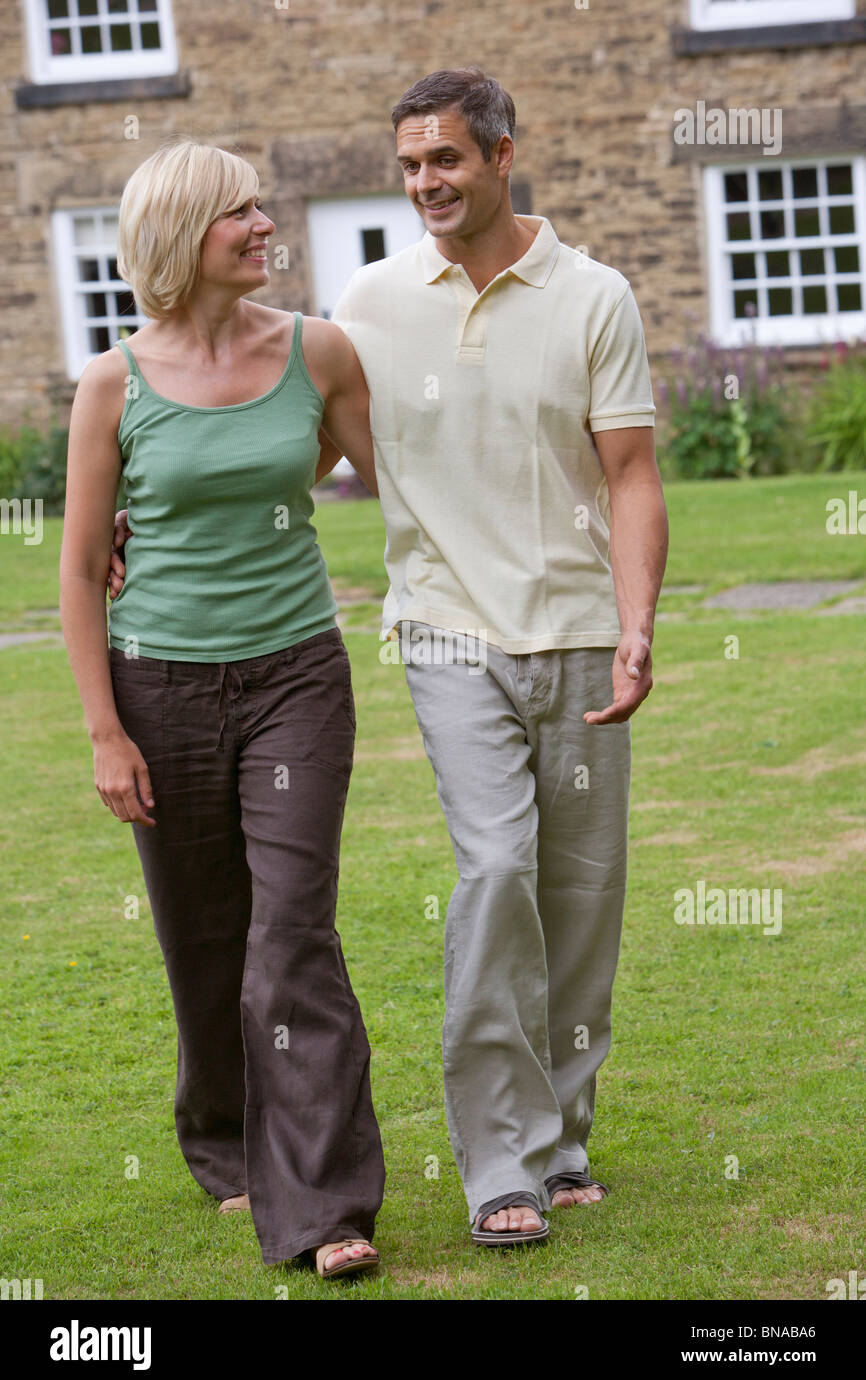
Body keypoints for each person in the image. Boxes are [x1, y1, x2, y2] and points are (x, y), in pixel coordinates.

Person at [111, 67, 669, 1250]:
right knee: (493, 872)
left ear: (502, 155)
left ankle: (562, 1137)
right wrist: (149, 523)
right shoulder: (365, 301)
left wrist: (634, 624)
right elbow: (294, 444)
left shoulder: (593, 296)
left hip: (573, 630)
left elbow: (627, 472)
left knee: (579, 897)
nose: (423, 184)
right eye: (408, 164)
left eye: (445, 162)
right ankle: (499, 1165)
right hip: (444, 631)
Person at [60, 137, 385, 1278]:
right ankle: (221, 1140)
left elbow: (404, 485)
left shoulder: (317, 350)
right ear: (178, 238)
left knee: (290, 928)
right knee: (201, 934)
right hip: (159, 687)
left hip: (296, 675)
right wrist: (105, 729)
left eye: (261, 209)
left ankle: (324, 1207)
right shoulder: (114, 383)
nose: (263, 227)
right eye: (237, 214)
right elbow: (77, 568)